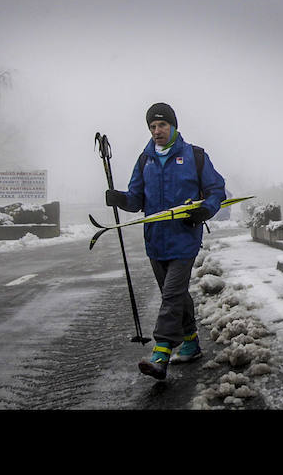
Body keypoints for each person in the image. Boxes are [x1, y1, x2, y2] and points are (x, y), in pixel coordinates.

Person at [105, 102, 227, 380]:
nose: (156, 131)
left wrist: (205, 210)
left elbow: (215, 189)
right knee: (175, 295)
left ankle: (160, 353)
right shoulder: (144, 160)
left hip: (184, 239)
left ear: (173, 126)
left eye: (161, 125)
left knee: (171, 295)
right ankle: (192, 342)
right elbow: (136, 200)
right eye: (152, 126)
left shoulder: (195, 156)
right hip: (155, 242)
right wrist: (119, 199)